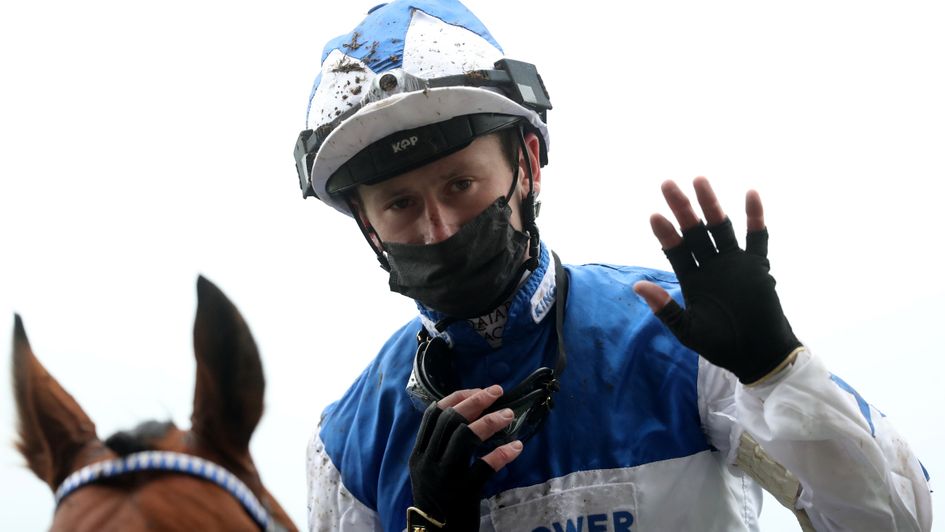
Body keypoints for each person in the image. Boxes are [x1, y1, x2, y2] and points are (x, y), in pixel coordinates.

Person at [295, 1, 932, 530]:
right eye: (402, 203)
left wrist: (777, 372)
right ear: (367, 224)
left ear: (529, 164)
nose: (439, 228)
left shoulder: (679, 337)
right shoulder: (348, 441)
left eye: (460, 184)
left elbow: (896, 522)